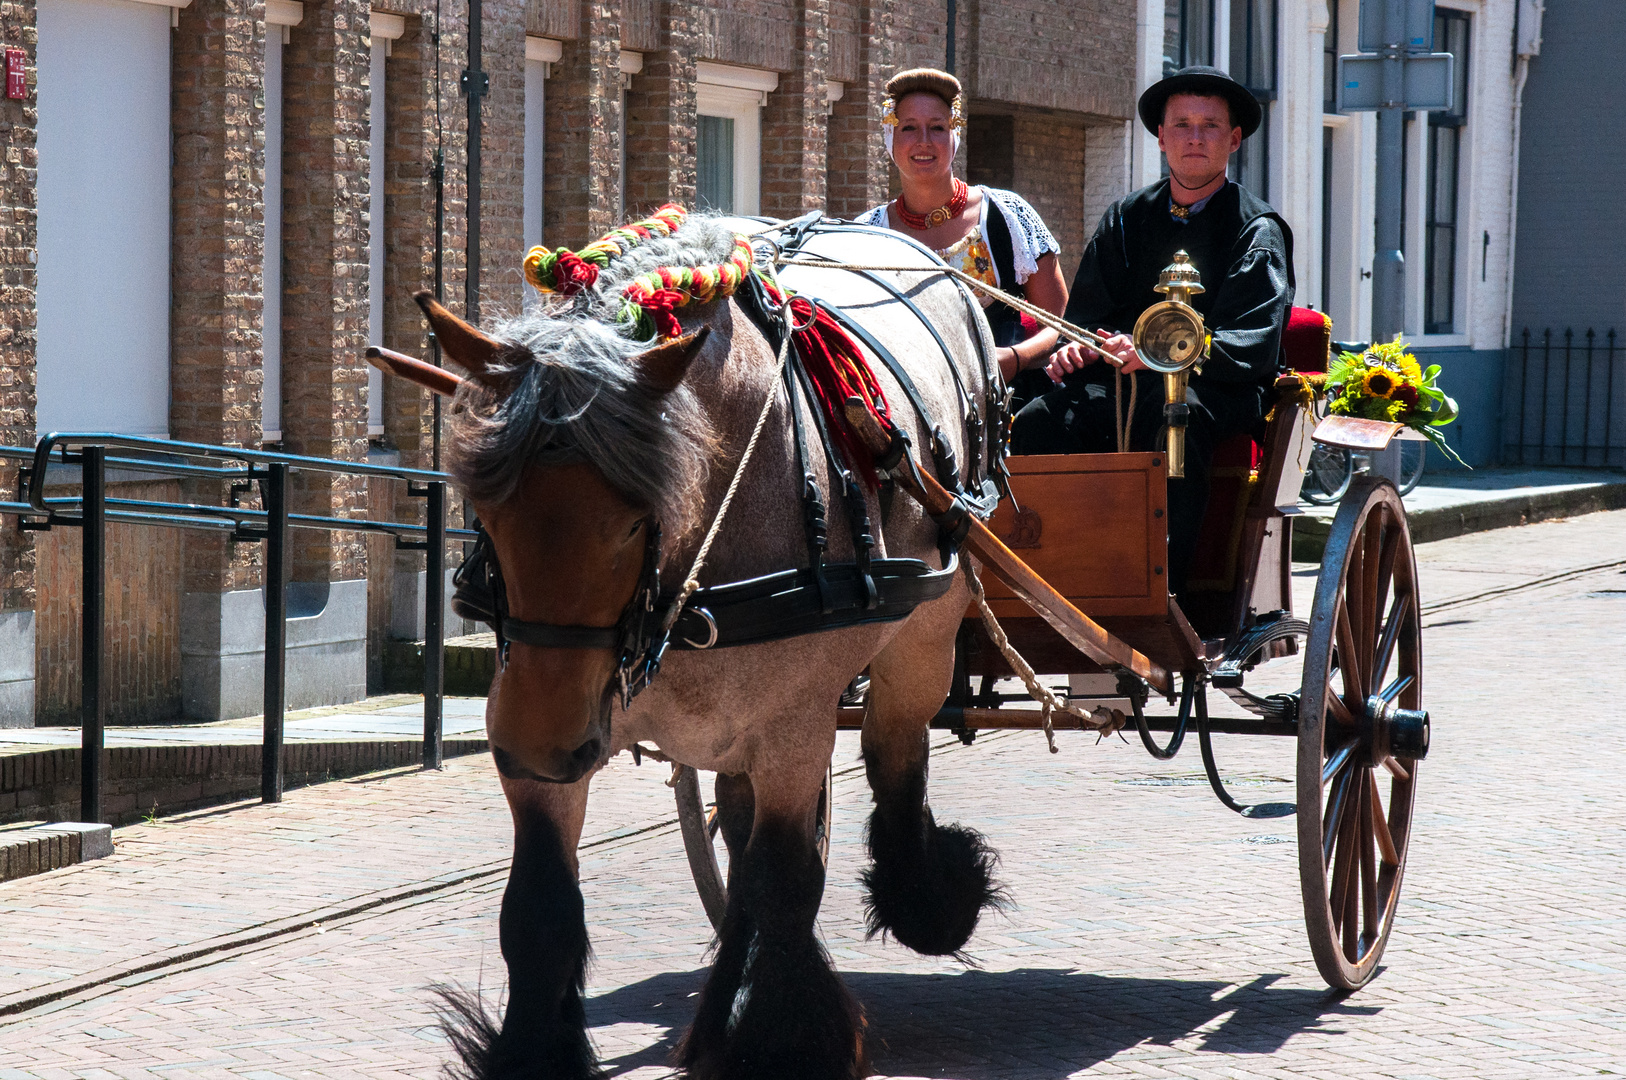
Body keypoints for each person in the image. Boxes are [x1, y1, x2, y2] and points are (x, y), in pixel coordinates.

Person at [1009, 65, 1295, 597]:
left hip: (1215, 389)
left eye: (1209, 125)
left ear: (1233, 140)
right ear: (1161, 137)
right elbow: (1085, 320)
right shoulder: (1124, 218)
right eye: (1181, 123)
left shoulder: (1257, 231)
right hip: (1120, 383)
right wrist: (1080, 350)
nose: (1194, 136)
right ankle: (1053, 584)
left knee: (1172, 421)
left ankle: (1160, 596)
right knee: (1039, 421)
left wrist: (1160, 354)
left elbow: (1254, 340)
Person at [855, 68, 1069, 384]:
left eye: (937, 127)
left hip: (1003, 403)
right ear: (891, 137)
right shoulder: (867, 234)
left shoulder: (1006, 215)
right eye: (909, 128)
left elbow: (1059, 324)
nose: (923, 141)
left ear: (955, 134)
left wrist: (1014, 358)